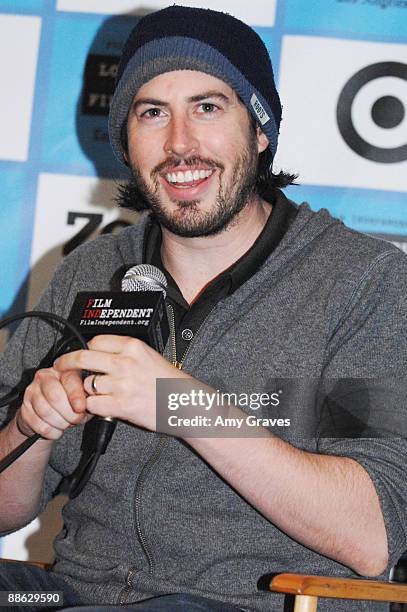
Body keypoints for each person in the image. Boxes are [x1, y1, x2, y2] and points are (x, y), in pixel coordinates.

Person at [0, 5, 407, 612]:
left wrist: (179, 403)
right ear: (125, 138)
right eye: (152, 113)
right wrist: (32, 428)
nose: (180, 143)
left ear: (261, 130)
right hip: (73, 593)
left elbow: (371, 536)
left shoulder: (363, 283)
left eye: (208, 107)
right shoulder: (91, 271)